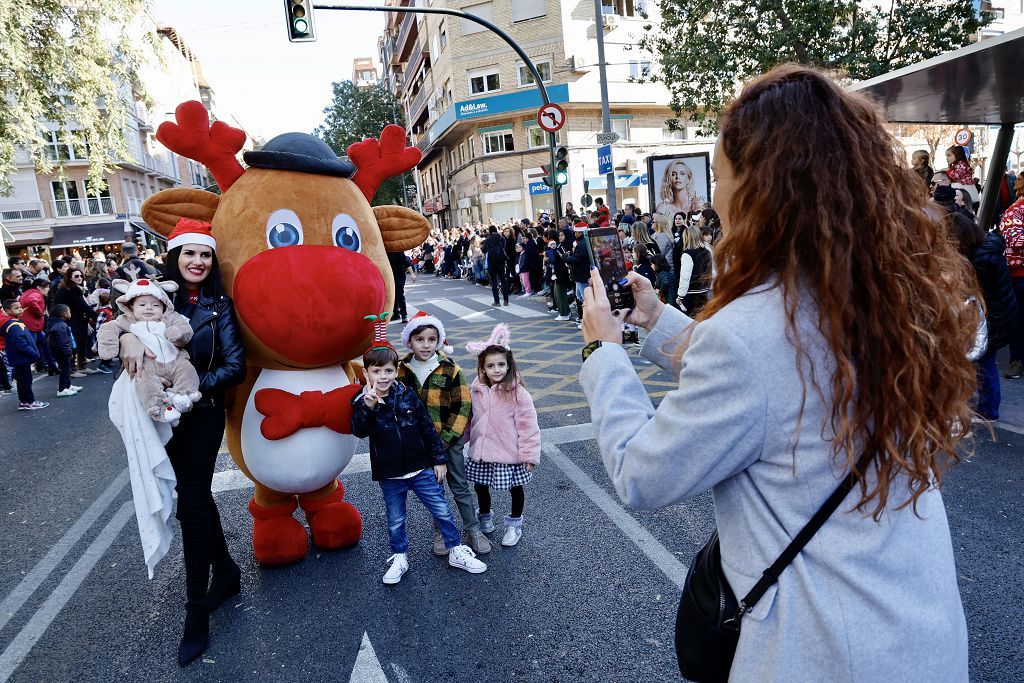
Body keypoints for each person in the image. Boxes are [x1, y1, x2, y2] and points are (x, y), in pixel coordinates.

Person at [579, 65, 974, 680]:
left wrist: (602, 352)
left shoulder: (749, 331)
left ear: (762, 189)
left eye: (719, 177)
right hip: (921, 634)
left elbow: (641, 473)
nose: (712, 198)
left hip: (822, 650)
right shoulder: (885, 301)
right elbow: (787, 388)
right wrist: (657, 320)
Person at [118, 220, 246, 666]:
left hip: (202, 411)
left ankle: (195, 615)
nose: (197, 261)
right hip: (158, 418)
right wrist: (128, 335)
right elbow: (118, 320)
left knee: (191, 500)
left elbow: (235, 366)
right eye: (188, 253)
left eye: (205, 254)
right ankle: (226, 572)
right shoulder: (152, 298)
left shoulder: (220, 306)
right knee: (196, 496)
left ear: (212, 261)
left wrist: (189, 393)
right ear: (174, 257)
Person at [350, 342, 487, 585]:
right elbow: (359, 431)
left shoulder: (407, 395)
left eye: (389, 371)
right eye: (377, 371)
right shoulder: (362, 401)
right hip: (390, 474)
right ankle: (400, 556)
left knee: (442, 510)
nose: (383, 377)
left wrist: (439, 460)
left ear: (396, 371)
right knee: (396, 519)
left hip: (421, 467)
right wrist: (368, 408)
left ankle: (456, 549)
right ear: (366, 373)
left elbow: (426, 429)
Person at [396, 312, 489, 555]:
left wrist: (447, 439)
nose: (426, 345)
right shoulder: (402, 370)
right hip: (421, 444)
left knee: (459, 486)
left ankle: (473, 529)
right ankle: (441, 533)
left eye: (431, 339)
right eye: (420, 339)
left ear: (439, 341)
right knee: (434, 490)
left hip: (449, 441)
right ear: (410, 341)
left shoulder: (450, 369)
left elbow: (463, 405)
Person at [464, 324, 540, 547]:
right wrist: (458, 442)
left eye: (501, 364)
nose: (496, 369)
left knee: (515, 488)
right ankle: (485, 518)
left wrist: (529, 455)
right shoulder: (476, 389)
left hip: (510, 452)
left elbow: (528, 426)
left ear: (509, 365)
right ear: (483, 368)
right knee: (480, 485)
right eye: (491, 365)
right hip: (481, 451)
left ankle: (514, 525)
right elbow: (469, 420)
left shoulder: (518, 392)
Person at [99, 278, 202, 423]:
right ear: (131, 307)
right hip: (148, 365)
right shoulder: (126, 322)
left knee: (186, 369)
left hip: (175, 360)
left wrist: (176, 332)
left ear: (164, 307)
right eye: (142, 304)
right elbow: (108, 328)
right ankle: (159, 409)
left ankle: (183, 394)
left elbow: (184, 329)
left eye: (155, 305)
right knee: (145, 382)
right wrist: (109, 346)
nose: (149, 308)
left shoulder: (169, 319)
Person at [999, 171, 1024, 379]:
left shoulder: (1015, 210)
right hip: (1019, 272)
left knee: (1018, 318)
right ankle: (1018, 360)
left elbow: (1014, 239)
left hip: (1019, 272)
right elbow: (1014, 238)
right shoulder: (1016, 209)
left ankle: (1018, 360)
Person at [1, 299, 48, 410]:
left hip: (20, 359)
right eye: (16, 308)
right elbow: (21, 344)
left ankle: (24, 402)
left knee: (23, 381)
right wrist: (34, 354)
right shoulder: (13, 326)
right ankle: (29, 402)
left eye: (21, 307)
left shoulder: (16, 323)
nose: (20, 309)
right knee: (26, 382)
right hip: (21, 359)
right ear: (8, 311)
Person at [52, 267, 97, 376]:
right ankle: (72, 369)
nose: (80, 278)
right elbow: (82, 305)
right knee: (73, 344)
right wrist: (96, 316)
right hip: (69, 320)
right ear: (69, 277)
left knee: (81, 342)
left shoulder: (73, 288)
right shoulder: (69, 289)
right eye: (76, 276)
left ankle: (81, 366)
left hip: (76, 319)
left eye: (81, 275)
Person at [19, 278, 58, 376]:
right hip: (32, 326)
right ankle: (23, 373)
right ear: (38, 287)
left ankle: (51, 367)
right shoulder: (36, 294)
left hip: (32, 326)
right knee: (32, 349)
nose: (48, 289)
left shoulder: (28, 292)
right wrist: (40, 313)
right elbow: (32, 301)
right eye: (46, 287)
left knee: (45, 346)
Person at [674, 224, 713, 315]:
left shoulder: (687, 254)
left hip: (691, 294)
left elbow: (685, 277)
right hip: (704, 291)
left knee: (691, 322)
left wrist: (680, 295)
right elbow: (709, 271)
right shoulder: (707, 251)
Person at [47, 304, 80, 397]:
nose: (70, 313)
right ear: (65, 314)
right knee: (65, 370)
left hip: (61, 352)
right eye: (69, 311)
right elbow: (62, 342)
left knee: (67, 369)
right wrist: (68, 352)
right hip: (61, 352)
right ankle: (62, 389)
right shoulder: (59, 326)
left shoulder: (59, 324)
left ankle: (68, 386)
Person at [387, 251, 415, 324]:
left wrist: (412, 274)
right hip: (389, 275)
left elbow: (406, 263)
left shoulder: (398, 251)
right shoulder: (385, 250)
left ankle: (404, 315)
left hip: (399, 275)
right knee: (392, 295)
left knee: (399, 294)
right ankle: (396, 313)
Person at [484, 226, 509, 306]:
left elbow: (484, 250)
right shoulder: (502, 238)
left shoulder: (488, 239)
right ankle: (506, 300)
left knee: (494, 282)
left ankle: (497, 301)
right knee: (503, 280)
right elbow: (504, 247)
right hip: (501, 261)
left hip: (492, 262)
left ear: (490, 231)